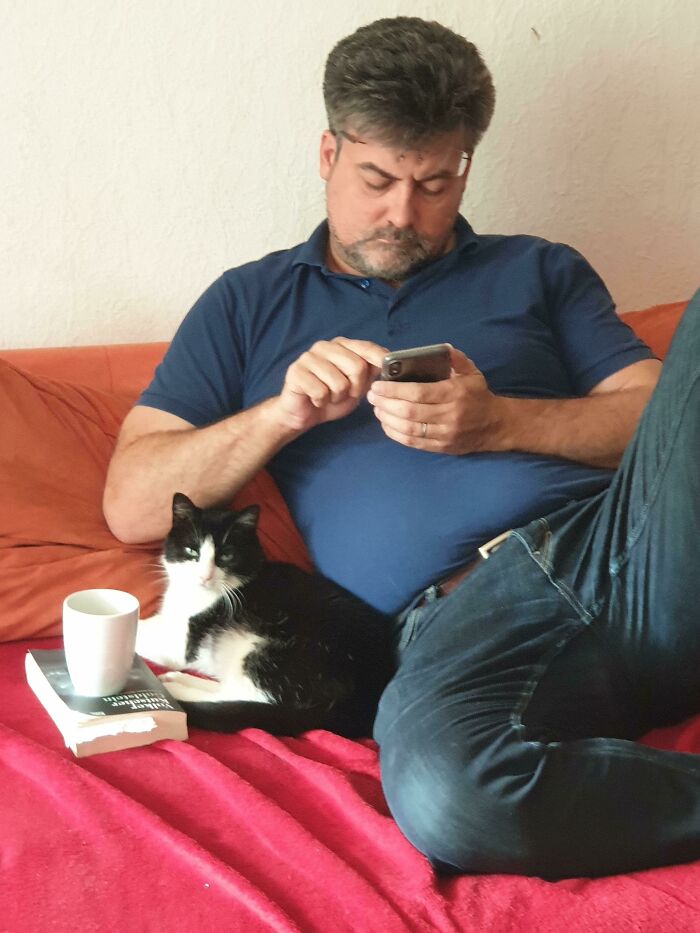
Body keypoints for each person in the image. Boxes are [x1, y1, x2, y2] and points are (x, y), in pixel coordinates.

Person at [103, 16, 700, 879]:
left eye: (434, 183)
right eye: (378, 178)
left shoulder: (538, 270)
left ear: (466, 167)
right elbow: (131, 500)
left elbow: (663, 420)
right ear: (327, 154)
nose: (402, 214)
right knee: (445, 791)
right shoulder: (247, 303)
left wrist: (501, 422)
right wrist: (280, 415)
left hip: (631, 554)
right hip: (455, 627)